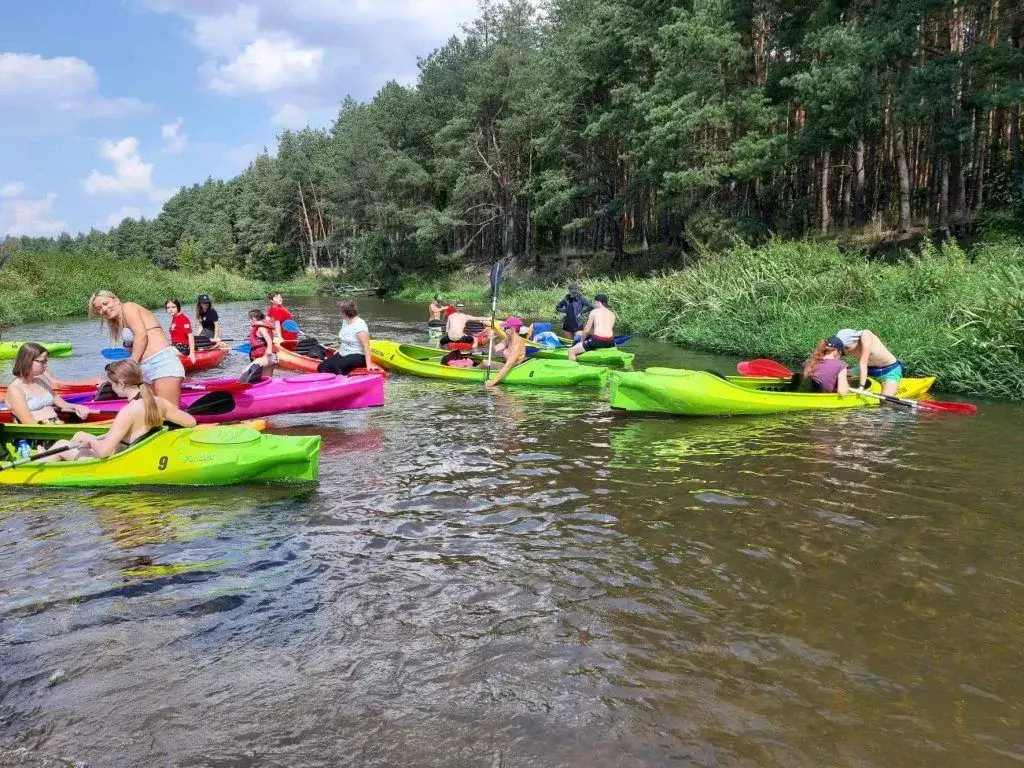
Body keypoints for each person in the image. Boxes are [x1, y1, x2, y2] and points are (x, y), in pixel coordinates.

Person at [41, 360, 196, 463]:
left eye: (112, 385)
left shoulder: (127, 412)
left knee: (61, 444)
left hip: (123, 460)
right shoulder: (158, 401)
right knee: (79, 435)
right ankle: (48, 456)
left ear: (121, 384)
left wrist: (92, 443)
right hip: (138, 451)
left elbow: (103, 453)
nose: (112, 388)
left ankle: (29, 469)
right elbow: (191, 422)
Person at [89, 290, 185, 405]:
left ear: (116, 300)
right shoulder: (120, 321)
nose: (104, 309)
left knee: (169, 411)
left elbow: (141, 335)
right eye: (99, 308)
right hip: (144, 368)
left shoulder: (128, 307)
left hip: (161, 363)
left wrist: (131, 366)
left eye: (105, 304)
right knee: (151, 413)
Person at [5, 342, 93, 425]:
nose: (46, 365)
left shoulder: (40, 382)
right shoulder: (15, 389)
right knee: (85, 436)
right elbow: (29, 424)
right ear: (28, 361)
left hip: (57, 425)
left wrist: (77, 407)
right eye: (43, 362)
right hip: (42, 434)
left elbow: (63, 404)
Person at [317, 300, 384, 376]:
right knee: (322, 367)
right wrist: (339, 349)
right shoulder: (345, 321)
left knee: (338, 366)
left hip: (358, 355)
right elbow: (344, 339)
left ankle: (343, 382)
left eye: (341, 311)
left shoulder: (360, 325)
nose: (339, 313)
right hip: (344, 353)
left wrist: (369, 364)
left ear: (346, 313)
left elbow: (366, 346)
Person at [833, 328, 903, 396]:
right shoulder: (847, 347)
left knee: (885, 401)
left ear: (856, 340)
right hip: (868, 370)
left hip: (889, 372)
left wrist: (861, 387)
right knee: (840, 373)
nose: (846, 351)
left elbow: (863, 362)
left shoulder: (866, 335)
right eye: (843, 349)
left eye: (847, 348)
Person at [568, 294, 616, 361]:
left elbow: (587, 329)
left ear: (598, 302)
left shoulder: (594, 312)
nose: (594, 304)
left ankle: (574, 369)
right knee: (592, 338)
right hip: (611, 342)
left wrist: (581, 342)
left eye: (595, 302)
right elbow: (610, 329)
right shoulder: (612, 314)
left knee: (571, 351)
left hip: (598, 340)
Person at [484, 316, 530, 387]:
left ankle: (469, 371)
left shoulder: (517, 344)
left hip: (514, 369)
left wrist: (492, 382)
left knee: (485, 363)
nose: (503, 330)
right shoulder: (507, 339)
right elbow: (494, 350)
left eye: (505, 328)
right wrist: (491, 340)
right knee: (485, 362)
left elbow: (508, 365)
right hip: (508, 366)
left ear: (512, 329)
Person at [239, 309, 277, 383]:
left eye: (250, 319)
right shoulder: (262, 327)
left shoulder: (261, 328)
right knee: (266, 380)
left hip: (268, 357)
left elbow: (269, 340)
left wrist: (268, 352)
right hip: (274, 358)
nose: (249, 321)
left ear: (254, 318)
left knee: (244, 372)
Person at [165, 299, 197, 367]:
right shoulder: (174, 318)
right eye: (168, 308)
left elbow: (190, 336)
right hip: (176, 346)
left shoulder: (183, 318)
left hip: (184, 347)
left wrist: (192, 353)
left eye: (173, 307)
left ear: (178, 307)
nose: (170, 309)